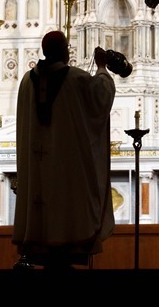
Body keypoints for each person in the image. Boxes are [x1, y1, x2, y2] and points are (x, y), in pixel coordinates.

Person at [12, 30, 116, 269]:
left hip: (37, 171)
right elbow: (101, 96)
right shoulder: (76, 79)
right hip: (66, 172)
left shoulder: (27, 82)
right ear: (64, 52)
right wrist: (102, 67)